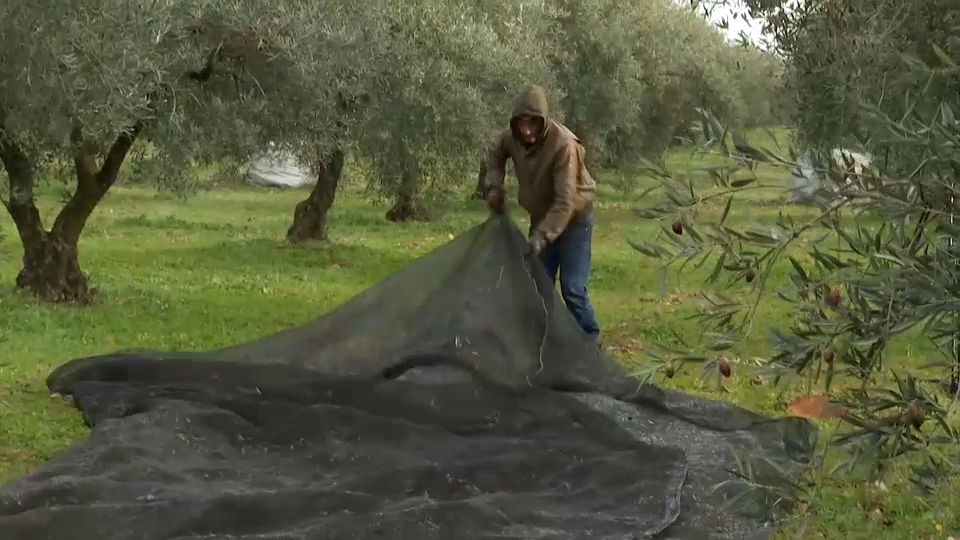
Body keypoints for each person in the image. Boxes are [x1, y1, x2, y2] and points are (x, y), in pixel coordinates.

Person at [480, 84, 601, 345]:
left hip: (574, 220)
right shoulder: (511, 138)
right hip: (542, 217)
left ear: (542, 121)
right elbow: (496, 155)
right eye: (521, 123)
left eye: (532, 123)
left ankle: (591, 343)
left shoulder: (563, 146)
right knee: (538, 284)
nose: (526, 130)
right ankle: (545, 343)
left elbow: (564, 202)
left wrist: (541, 236)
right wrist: (493, 186)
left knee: (572, 289)